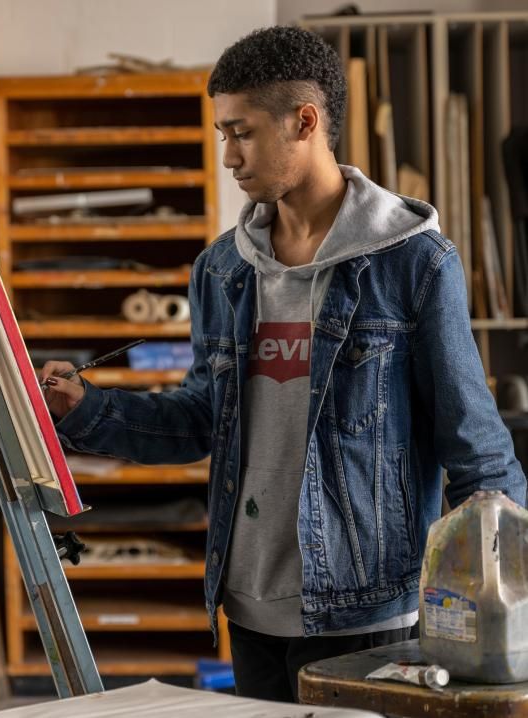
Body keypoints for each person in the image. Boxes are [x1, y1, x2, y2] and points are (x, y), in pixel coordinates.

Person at [40, 26, 526, 703]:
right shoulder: (223, 269)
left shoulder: (412, 263)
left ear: (304, 122)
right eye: (220, 135)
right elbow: (200, 420)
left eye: (240, 133)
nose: (227, 156)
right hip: (245, 605)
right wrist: (87, 410)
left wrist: (506, 613)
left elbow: (474, 445)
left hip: (364, 615)